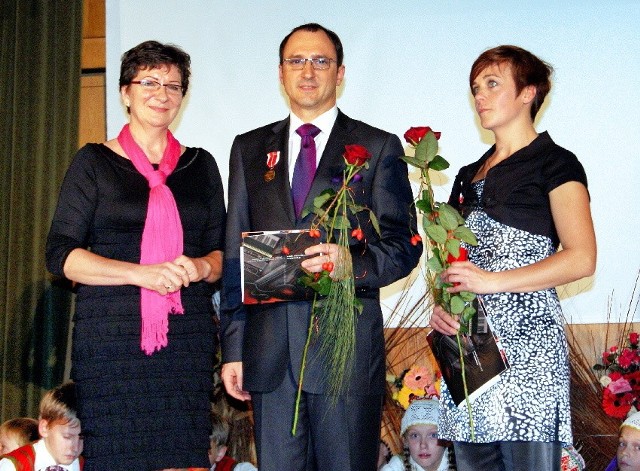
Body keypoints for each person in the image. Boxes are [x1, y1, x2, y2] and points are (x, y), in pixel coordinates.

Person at [219, 23, 422, 471]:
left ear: (340, 72)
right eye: (297, 61)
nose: (308, 71)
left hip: (344, 355)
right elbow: (235, 256)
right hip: (269, 357)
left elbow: (405, 246)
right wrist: (234, 346)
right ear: (280, 72)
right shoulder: (249, 149)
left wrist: (352, 263)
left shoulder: (376, 146)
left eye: (321, 61)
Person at [45, 40, 225, 470]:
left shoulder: (201, 165)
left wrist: (201, 266)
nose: (162, 94)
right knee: (115, 456)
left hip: (186, 340)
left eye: (173, 85)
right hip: (112, 341)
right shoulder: (93, 162)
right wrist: (140, 274)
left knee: (182, 455)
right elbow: (61, 256)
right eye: (149, 81)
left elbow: (222, 254)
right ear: (125, 92)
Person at [428, 45, 596, 471]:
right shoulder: (466, 174)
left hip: (530, 348)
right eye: (475, 87)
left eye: (492, 84)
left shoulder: (556, 163)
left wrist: (491, 281)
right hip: (472, 349)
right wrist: (443, 308)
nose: (479, 96)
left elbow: (582, 259)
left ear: (529, 93)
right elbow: (453, 259)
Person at [0, 382, 83, 470]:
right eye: (67, 437)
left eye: (82, 437)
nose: (75, 447)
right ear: (44, 428)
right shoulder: (12, 466)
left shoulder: (86, 464)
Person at [380, 399, 453, 471]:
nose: (423, 445)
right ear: (405, 441)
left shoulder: (461, 462)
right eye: (415, 436)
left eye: (433, 435)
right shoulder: (397, 466)